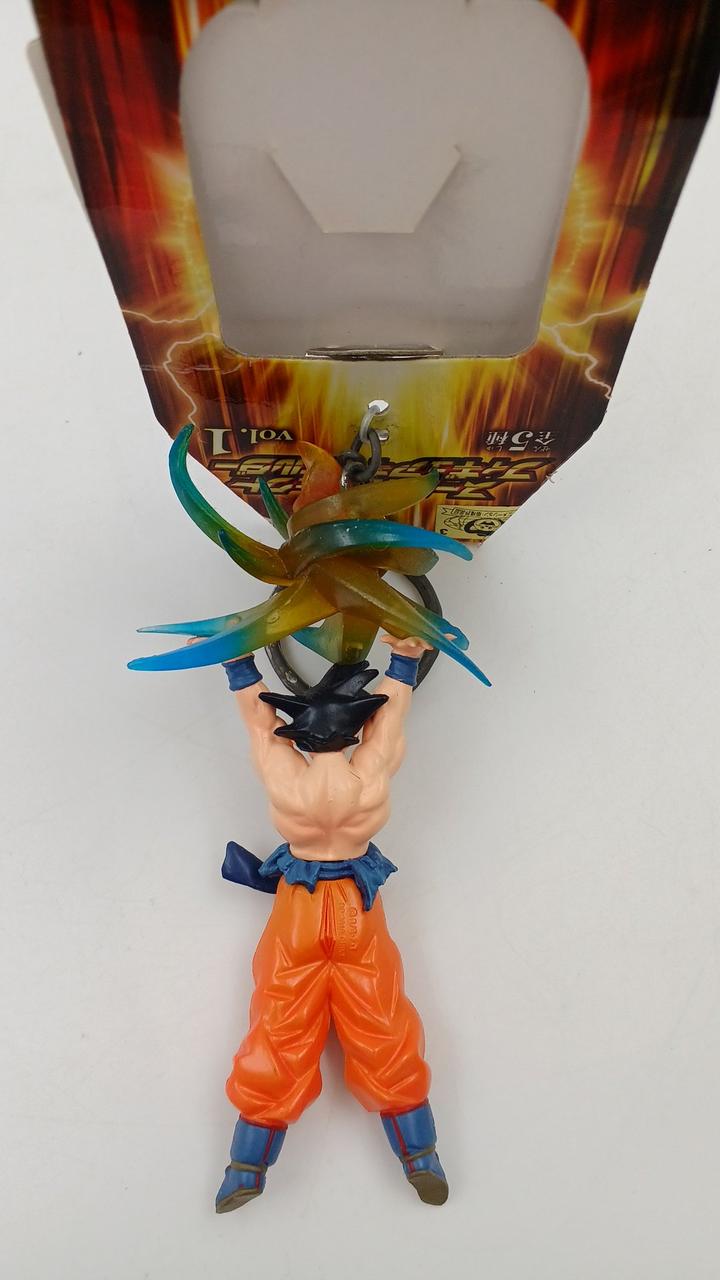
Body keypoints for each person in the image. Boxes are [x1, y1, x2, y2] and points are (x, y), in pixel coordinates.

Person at [214, 634, 449, 1211]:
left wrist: (238, 663)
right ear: (353, 731)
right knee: (381, 1017)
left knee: (279, 1022)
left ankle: (246, 1166)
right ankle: (420, 1156)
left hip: (298, 908)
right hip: (353, 906)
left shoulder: (286, 780)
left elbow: (257, 722)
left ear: (298, 733)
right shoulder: (367, 779)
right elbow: (390, 725)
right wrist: (403, 662)